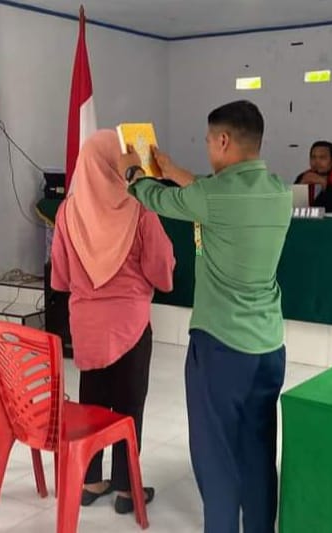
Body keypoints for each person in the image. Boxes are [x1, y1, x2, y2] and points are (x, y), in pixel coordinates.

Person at [120, 100, 291, 533]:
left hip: (221, 346)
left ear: (224, 140)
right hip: (268, 346)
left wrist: (133, 172)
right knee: (257, 450)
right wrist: (173, 166)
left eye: (208, 141)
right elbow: (206, 192)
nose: (208, 149)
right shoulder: (278, 190)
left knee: (215, 458)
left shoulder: (212, 198)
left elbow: (159, 197)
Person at [50, 129, 175, 514]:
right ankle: (125, 489)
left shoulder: (67, 211)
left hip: (86, 325)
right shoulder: (140, 209)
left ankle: (90, 480)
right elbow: (162, 272)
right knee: (128, 406)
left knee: (92, 403)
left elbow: (60, 277)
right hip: (131, 326)